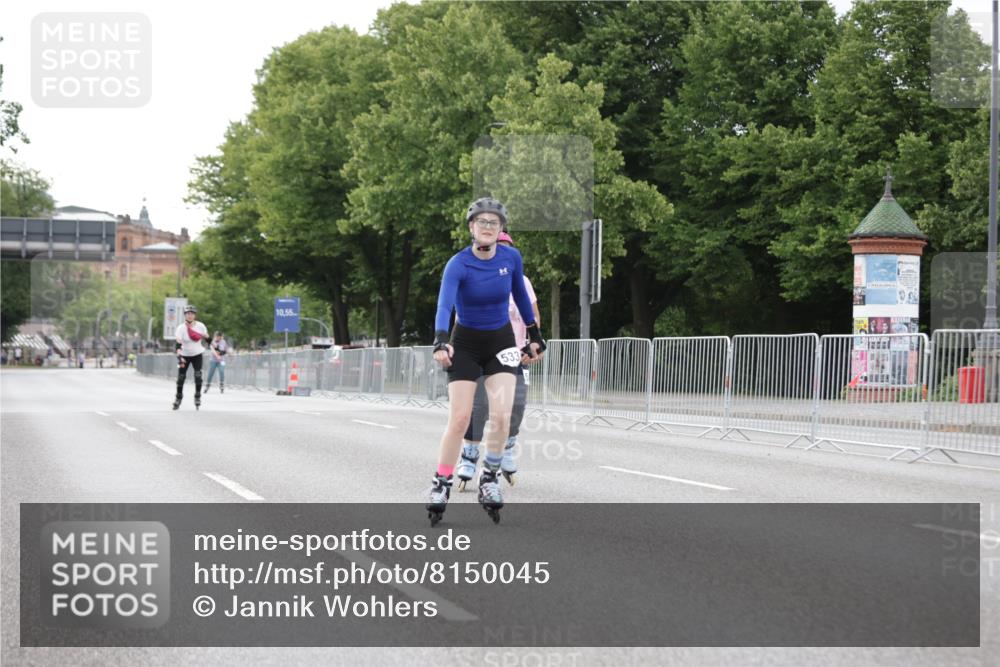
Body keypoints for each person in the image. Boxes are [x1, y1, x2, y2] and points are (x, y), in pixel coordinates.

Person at [426, 198, 546, 525]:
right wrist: (440, 340)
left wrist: (535, 335)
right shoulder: (458, 264)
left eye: (494, 222)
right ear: (472, 227)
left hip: (501, 341)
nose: (488, 227)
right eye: (482, 222)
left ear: (500, 229)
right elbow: (444, 305)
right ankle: (441, 482)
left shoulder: (511, 258)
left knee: (502, 415)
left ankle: (489, 478)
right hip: (465, 342)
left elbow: (521, 298)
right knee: (461, 417)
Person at [455, 230, 541, 490]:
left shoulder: (522, 281)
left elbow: (533, 316)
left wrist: (533, 343)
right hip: (479, 351)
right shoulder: (475, 276)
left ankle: (508, 449)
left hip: (512, 352)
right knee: (478, 406)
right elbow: (460, 317)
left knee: (515, 406)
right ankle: (469, 454)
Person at [173, 304, 208, 410]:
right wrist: (179, 356)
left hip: (197, 354)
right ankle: (178, 398)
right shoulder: (181, 328)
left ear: (195, 316)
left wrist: (213, 344)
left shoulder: (201, 326)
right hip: (184, 355)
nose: (190, 316)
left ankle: (197, 396)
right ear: (185, 315)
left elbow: (207, 338)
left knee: (198, 375)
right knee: (181, 378)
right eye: (188, 314)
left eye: (192, 314)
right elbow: (178, 343)